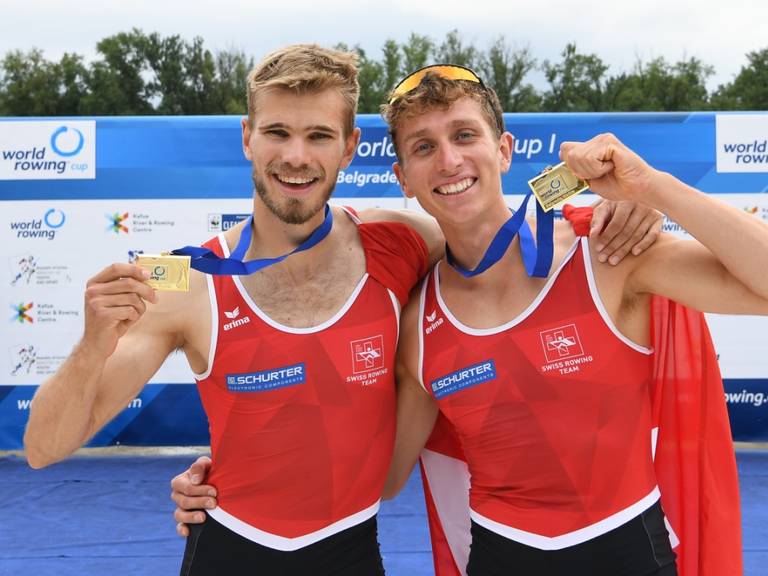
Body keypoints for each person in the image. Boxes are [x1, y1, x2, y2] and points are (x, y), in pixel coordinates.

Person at [26, 46, 654, 576]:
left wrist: (603, 208)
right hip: (229, 548)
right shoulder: (188, 282)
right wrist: (91, 343)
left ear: (350, 147)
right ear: (248, 138)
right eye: (277, 132)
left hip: (354, 551)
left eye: (319, 136)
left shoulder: (402, 242)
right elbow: (43, 448)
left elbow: (493, 226)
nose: (296, 156)